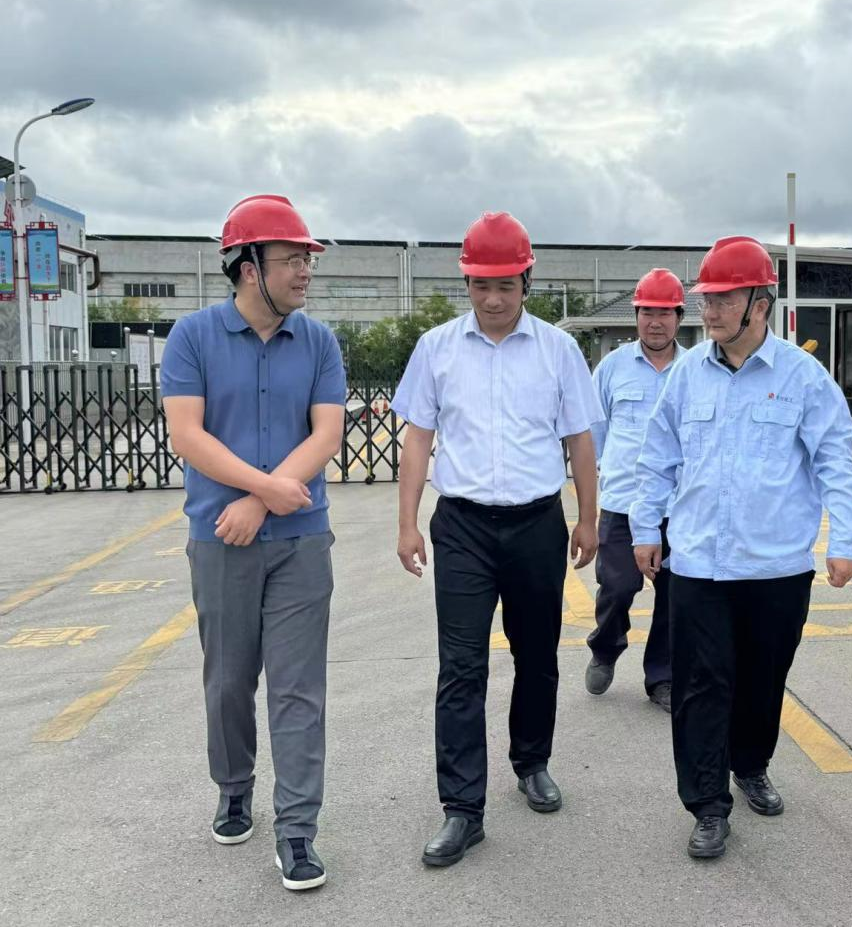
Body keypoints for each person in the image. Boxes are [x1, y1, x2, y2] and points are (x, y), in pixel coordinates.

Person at [629, 236, 852, 859]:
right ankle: (707, 804)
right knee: (700, 686)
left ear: (760, 304)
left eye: (723, 300)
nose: (708, 311)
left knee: (764, 678)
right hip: (698, 563)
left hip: (776, 565)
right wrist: (645, 529)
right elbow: (656, 458)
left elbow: (834, 462)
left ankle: (751, 764)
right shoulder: (687, 375)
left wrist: (845, 539)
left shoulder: (802, 378)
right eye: (705, 299)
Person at [392, 211, 604, 868]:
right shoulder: (436, 348)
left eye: (505, 286)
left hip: (536, 523)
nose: (492, 299)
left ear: (526, 282)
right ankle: (462, 809)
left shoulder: (558, 351)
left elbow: (579, 440)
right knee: (461, 666)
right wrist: (406, 523)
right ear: (466, 284)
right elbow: (418, 439)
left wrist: (588, 517)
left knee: (536, 654)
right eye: (481, 286)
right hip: (461, 527)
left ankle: (531, 762)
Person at [160, 194, 346, 891]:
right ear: (248, 267)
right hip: (221, 539)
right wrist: (259, 491)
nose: (304, 272)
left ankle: (297, 831)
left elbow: (327, 433)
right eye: (292, 259)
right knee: (229, 681)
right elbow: (187, 434)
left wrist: (263, 499)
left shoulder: (320, 342)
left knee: (299, 690)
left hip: (300, 540)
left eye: (307, 260)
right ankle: (234, 786)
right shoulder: (192, 337)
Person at [585, 268, 685, 712]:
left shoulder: (695, 368)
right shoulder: (612, 367)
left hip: (678, 506)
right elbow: (595, 429)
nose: (655, 322)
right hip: (623, 503)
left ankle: (662, 677)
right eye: (647, 313)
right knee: (617, 586)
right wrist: (606, 470)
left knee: (675, 598)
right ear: (636, 316)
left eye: (664, 313)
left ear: (679, 317)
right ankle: (605, 648)